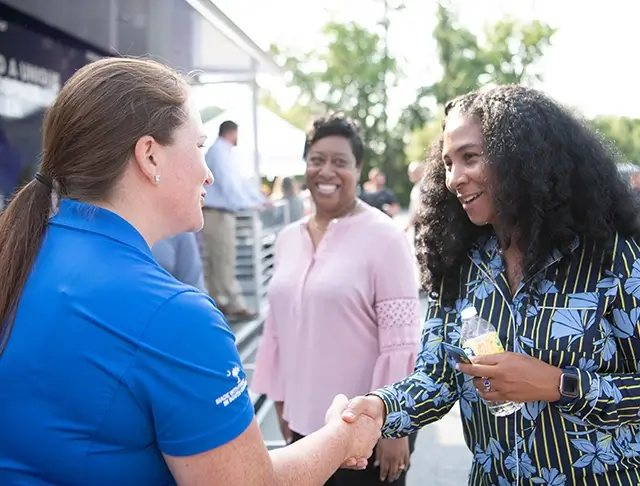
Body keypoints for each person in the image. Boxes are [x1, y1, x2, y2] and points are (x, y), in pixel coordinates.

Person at [0, 57, 381, 486]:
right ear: (149, 156)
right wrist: (343, 437)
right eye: (199, 146)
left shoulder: (21, 256)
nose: (209, 173)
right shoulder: (173, 316)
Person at [340, 85, 640, 485]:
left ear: (523, 158)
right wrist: (379, 408)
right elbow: (437, 376)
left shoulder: (611, 258)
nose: (453, 179)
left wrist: (560, 384)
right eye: (447, 163)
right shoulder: (461, 263)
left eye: (470, 158)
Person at [252, 114, 421, 486]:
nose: (326, 171)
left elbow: (401, 343)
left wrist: (395, 429)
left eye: (340, 162)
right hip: (302, 434)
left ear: (358, 169)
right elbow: (278, 332)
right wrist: (282, 403)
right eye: (317, 159)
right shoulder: (287, 239)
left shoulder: (385, 238)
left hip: (362, 436)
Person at [202, 120, 264, 321]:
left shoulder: (221, 152)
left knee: (216, 261)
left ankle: (219, 301)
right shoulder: (220, 152)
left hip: (216, 213)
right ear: (232, 132)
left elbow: (238, 182)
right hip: (218, 214)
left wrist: (257, 200)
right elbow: (230, 183)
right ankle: (235, 303)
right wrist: (249, 203)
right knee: (224, 259)